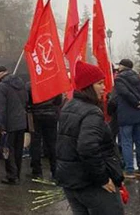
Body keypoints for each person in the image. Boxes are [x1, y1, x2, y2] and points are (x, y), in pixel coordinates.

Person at [55, 61, 124, 214]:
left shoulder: (69, 105)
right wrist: (103, 178)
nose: (104, 87)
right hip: (90, 183)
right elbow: (87, 147)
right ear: (88, 86)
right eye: (99, 83)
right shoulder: (91, 112)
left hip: (71, 181)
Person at [112, 58, 140, 179]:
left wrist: (134, 102)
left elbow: (124, 93)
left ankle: (129, 170)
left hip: (126, 114)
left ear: (122, 67)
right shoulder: (139, 78)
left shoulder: (119, 79)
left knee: (126, 142)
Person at [0, 66, 28, 185]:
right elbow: (25, 100)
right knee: (18, 149)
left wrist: (1, 126)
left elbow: (0, 108)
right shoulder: (21, 83)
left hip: (9, 123)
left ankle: (11, 176)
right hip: (21, 121)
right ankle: (17, 173)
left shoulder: (2, 87)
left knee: (7, 149)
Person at [27, 85, 62, 181]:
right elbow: (59, 101)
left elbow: (27, 101)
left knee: (35, 143)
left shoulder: (31, 85)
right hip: (51, 115)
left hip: (36, 116)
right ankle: (55, 171)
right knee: (52, 143)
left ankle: (37, 171)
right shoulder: (53, 84)